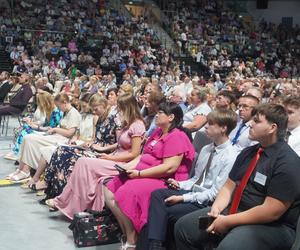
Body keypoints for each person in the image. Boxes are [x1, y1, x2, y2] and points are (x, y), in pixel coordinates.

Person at [175, 103, 300, 250]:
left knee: (229, 246)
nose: (250, 124)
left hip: (271, 225)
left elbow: (271, 212)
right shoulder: (248, 153)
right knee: (183, 228)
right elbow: (228, 187)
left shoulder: (288, 162)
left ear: (272, 128)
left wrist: (228, 221)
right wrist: (217, 207)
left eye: (257, 121)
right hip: (236, 210)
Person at [104, 103, 195, 250]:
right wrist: (127, 168)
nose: (156, 115)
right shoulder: (158, 132)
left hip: (165, 180)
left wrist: (139, 174)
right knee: (108, 188)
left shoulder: (177, 136)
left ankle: (133, 237)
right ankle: (127, 231)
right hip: (144, 173)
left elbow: (169, 168)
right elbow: (142, 156)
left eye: (160, 112)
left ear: (171, 117)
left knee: (126, 191)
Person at [145, 109, 238, 250]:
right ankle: (155, 245)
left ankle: (154, 246)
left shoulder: (231, 156)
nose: (205, 126)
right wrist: (180, 183)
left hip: (206, 202)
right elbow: (196, 179)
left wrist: (183, 198)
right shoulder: (207, 149)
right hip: (194, 192)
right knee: (157, 194)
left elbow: (214, 193)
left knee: (161, 215)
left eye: (211, 124)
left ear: (223, 128)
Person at [45, 94, 145, 218]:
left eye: (120, 107)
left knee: (83, 162)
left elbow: (134, 154)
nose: (118, 110)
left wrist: (109, 157)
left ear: (128, 107)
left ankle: (66, 201)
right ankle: (69, 202)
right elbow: (119, 144)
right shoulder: (127, 123)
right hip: (115, 157)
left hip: (123, 163)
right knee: (81, 162)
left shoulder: (137, 125)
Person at [43, 94, 118, 199]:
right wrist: (88, 143)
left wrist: (103, 148)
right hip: (94, 147)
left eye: (96, 109)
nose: (94, 112)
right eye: (93, 110)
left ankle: (64, 194)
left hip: (104, 152)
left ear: (103, 105)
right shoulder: (100, 117)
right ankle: (54, 189)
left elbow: (118, 143)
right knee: (60, 150)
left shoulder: (115, 118)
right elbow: (95, 138)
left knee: (68, 157)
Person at [26, 93, 96, 191]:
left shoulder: (93, 118)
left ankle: (45, 181)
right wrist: (73, 140)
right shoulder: (82, 115)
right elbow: (76, 134)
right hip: (77, 142)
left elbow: (93, 138)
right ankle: (38, 177)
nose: (82, 108)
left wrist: (81, 141)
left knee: (55, 151)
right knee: (46, 150)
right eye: (81, 106)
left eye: (84, 106)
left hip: (85, 145)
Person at [7, 93, 81, 181]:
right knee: (27, 137)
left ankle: (26, 170)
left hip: (63, 139)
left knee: (30, 139)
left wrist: (55, 129)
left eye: (58, 106)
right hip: (57, 136)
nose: (58, 108)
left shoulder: (74, 113)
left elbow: (69, 133)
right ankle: (21, 168)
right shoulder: (66, 112)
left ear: (64, 102)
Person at [5, 91, 63, 160]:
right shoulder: (50, 110)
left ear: (45, 102)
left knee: (26, 130)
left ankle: (17, 152)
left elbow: (52, 129)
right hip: (45, 130)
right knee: (26, 127)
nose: (39, 104)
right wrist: (32, 124)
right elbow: (45, 124)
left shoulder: (56, 112)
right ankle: (17, 151)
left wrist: (37, 127)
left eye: (40, 102)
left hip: (50, 134)